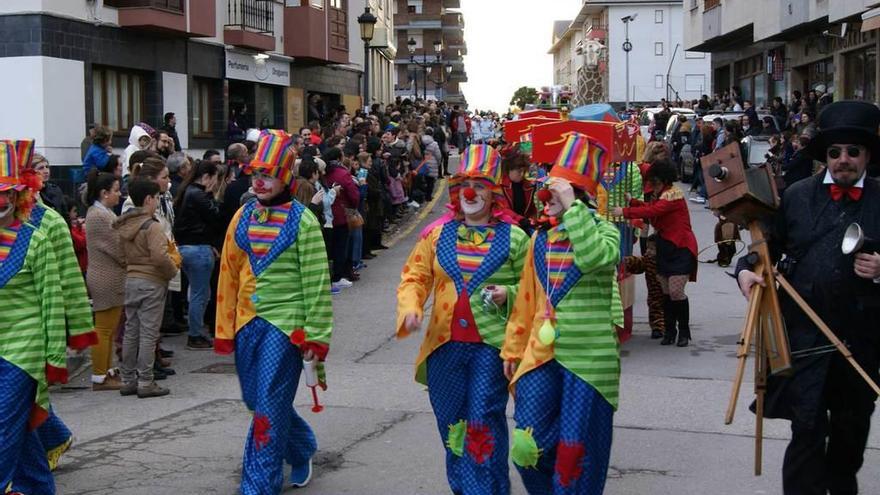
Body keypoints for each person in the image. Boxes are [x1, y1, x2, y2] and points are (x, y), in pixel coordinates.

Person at [736, 101, 880, 495]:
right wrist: (747, 270)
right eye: (835, 152)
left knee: (850, 441)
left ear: (867, 155)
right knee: (806, 434)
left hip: (862, 342)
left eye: (853, 151)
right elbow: (765, 245)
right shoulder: (798, 196)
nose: (844, 160)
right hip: (804, 339)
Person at [397, 144, 528, 494]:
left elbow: (534, 289)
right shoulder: (437, 235)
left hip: (491, 348)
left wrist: (509, 294)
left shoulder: (516, 238)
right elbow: (415, 277)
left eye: (480, 184)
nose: (471, 192)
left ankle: (486, 489)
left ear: (494, 192)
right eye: (465, 184)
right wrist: (410, 308)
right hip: (444, 347)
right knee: (453, 425)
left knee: (483, 420)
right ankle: (469, 487)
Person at [502, 132, 622, 495]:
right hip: (541, 353)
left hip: (589, 359)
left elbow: (595, 258)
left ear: (575, 195)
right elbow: (526, 299)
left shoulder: (604, 232)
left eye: (554, 190)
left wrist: (573, 208)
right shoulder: (540, 239)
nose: (544, 196)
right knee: (527, 446)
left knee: (576, 454)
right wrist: (512, 347)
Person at [215, 130, 332, 493]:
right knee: (256, 400)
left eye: (267, 174)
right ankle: (300, 447)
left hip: (286, 327)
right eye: (255, 175)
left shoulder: (304, 221)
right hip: (248, 323)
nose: (260, 182)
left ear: (285, 177)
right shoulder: (242, 216)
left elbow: (316, 283)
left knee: (267, 404)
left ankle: (258, 485)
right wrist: (224, 329)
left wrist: (317, 335)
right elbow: (228, 277)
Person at [21, 147, 97, 470]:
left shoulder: (49, 221)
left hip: (34, 324)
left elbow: (68, 275)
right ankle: (49, 442)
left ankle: (31, 467)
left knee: (21, 394)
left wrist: (74, 326)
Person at [0, 139, 69, 494]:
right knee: (21, 431)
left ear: (18, 195)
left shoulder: (37, 237)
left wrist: (55, 356)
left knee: (3, 426)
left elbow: (54, 299)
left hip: (22, 351)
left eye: (5, 193)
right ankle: (40, 488)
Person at [614, 159, 698, 347]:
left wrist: (625, 210)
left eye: (656, 182)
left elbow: (653, 211)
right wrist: (633, 201)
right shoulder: (662, 194)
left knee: (676, 291)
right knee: (665, 292)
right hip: (665, 248)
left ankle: (684, 331)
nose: (654, 186)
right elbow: (651, 208)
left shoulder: (673, 195)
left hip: (681, 248)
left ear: (664, 180)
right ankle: (670, 331)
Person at [114, 178, 180, 398]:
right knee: (149, 334)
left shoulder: (125, 224)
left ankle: (128, 379)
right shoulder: (152, 225)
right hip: (151, 281)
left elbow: (121, 256)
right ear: (149, 199)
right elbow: (160, 257)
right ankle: (145, 381)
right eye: (157, 198)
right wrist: (172, 270)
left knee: (131, 332)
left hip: (131, 279)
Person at [173, 159, 222, 350]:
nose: (216, 184)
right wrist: (213, 197)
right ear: (207, 177)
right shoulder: (199, 195)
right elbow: (216, 217)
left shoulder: (187, 191)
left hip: (188, 247)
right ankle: (195, 334)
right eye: (215, 179)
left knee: (196, 292)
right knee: (200, 294)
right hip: (198, 248)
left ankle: (196, 331)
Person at [84, 170, 126, 389]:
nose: (119, 195)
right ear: (104, 193)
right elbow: (118, 247)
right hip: (106, 277)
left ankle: (107, 370)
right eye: (116, 191)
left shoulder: (102, 212)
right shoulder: (100, 215)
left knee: (109, 328)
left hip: (109, 276)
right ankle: (100, 375)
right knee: (104, 329)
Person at [500, 145, 537, 234]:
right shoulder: (500, 186)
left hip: (525, 229)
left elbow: (532, 210)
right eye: (519, 171)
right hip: (506, 229)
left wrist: (533, 219)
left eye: (524, 171)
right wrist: (520, 220)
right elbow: (502, 209)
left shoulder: (529, 187)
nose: (522, 174)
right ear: (509, 169)